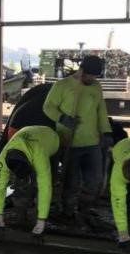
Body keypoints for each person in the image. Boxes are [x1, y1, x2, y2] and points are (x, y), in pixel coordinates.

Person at [42, 55, 113, 216]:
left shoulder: (96, 87)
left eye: (96, 76)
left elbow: (101, 111)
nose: (93, 79)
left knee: (94, 180)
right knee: (71, 182)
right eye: (90, 75)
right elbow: (48, 107)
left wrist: (106, 131)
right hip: (69, 143)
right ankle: (67, 211)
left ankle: (84, 210)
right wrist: (63, 119)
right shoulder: (62, 86)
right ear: (81, 70)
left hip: (92, 143)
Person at [0, 125, 60, 236]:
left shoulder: (39, 154)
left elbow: (45, 187)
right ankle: (22, 214)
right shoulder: (4, 157)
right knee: (22, 186)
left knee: (43, 182)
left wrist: (41, 220)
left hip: (52, 140)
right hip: (30, 133)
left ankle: (41, 212)